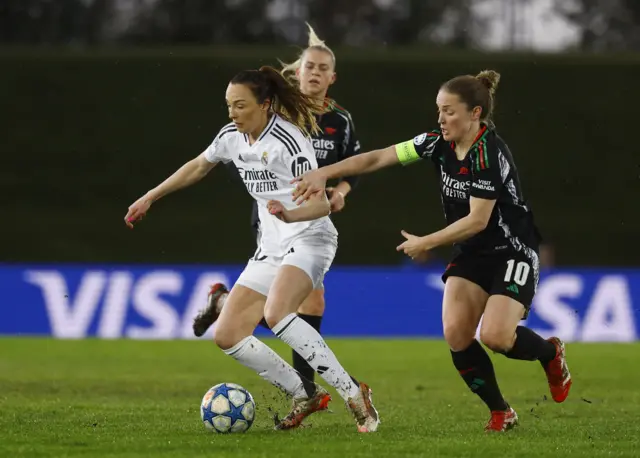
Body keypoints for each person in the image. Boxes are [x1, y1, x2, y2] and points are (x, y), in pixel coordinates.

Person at [291, 70, 572, 432]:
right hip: (473, 254)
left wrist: (426, 241)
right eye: (439, 110)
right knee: (456, 334)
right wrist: (323, 173)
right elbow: (377, 158)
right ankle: (501, 411)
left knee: (496, 337)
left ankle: (551, 354)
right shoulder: (435, 142)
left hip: (512, 251)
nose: (441, 118)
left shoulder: (487, 154)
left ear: (474, 114)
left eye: (449, 111)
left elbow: (478, 220)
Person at [124, 66, 379, 433]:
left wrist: (290, 214)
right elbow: (199, 166)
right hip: (271, 245)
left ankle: (353, 392)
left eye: (240, 106)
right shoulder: (232, 136)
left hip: (309, 236)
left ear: (265, 104)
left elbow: (322, 205)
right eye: (229, 105)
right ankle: (303, 393)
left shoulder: (288, 143)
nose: (232, 113)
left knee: (277, 314)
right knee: (227, 335)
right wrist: (150, 197)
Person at [193, 23, 362, 385]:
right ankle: (308, 388)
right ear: (296, 72)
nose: (314, 72)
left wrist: (340, 193)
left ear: (333, 77)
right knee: (303, 305)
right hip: (276, 218)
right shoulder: (277, 116)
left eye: (322, 68)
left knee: (292, 306)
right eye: (309, 66)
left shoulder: (339, 121)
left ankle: (223, 305)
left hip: (311, 214)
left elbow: (352, 166)